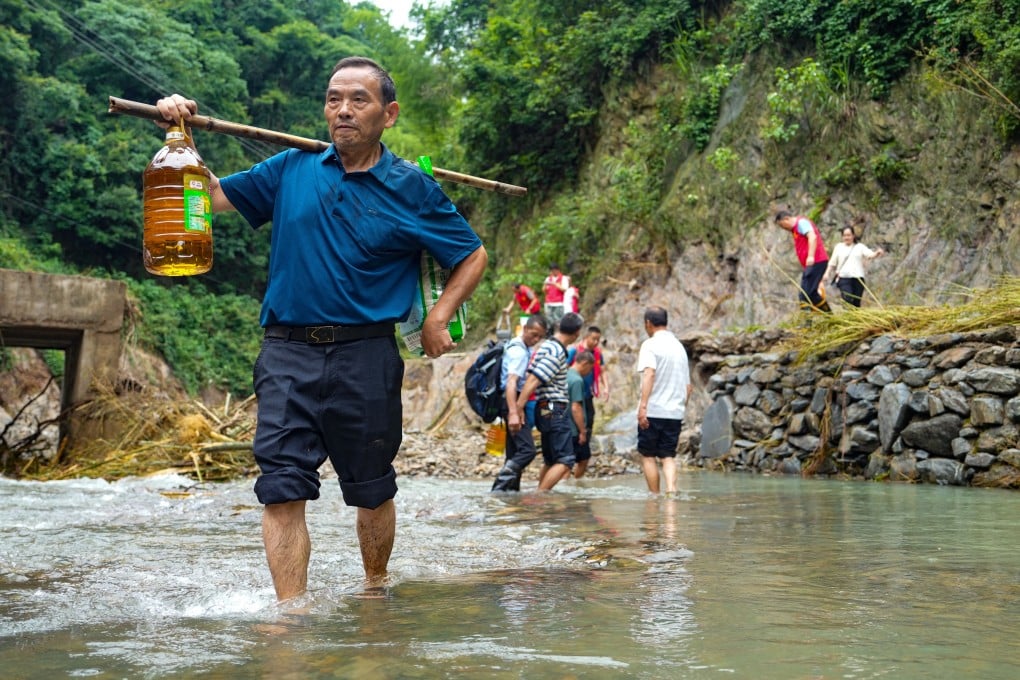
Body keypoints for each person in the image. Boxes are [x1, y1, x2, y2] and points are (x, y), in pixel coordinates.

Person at [154, 56, 487, 602]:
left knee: (371, 489)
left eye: (359, 100)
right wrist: (180, 130)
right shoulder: (291, 168)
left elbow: (472, 255)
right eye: (334, 99)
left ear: (390, 113)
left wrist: (437, 315)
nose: (343, 110)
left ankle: (376, 590)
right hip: (286, 352)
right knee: (281, 488)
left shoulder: (413, 188)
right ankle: (290, 617)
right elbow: (210, 197)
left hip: (367, 356)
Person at [515, 312, 584, 491]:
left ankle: (541, 498)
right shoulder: (556, 351)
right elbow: (534, 379)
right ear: (577, 332)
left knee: (551, 459)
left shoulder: (546, 346)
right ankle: (540, 495)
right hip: (553, 406)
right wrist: (518, 408)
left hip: (544, 405)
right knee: (566, 460)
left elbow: (532, 376)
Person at [636, 306, 692, 495]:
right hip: (674, 412)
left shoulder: (650, 345)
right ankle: (671, 490)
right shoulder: (679, 347)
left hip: (653, 411)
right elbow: (688, 387)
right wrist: (680, 409)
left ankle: (655, 496)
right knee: (668, 456)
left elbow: (649, 374)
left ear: (648, 323)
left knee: (648, 455)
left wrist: (643, 407)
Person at [491, 314, 548, 492]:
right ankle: (499, 487)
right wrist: (514, 412)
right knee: (527, 450)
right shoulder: (519, 351)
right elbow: (511, 383)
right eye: (533, 334)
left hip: (510, 401)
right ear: (524, 329)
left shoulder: (519, 346)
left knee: (514, 451)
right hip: (511, 400)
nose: (536, 339)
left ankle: (510, 492)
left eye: (540, 336)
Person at [566, 326, 609, 479]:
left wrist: (606, 388)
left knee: (588, 420)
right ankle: (579, 441)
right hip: (574, 395)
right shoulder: (574, 352)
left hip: (587, 394)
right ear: (586, 337)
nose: (596, 342)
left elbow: (602, 370)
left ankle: (583, 441)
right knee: (575, 419)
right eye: (593, 339)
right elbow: (564, 368)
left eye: (598, 339)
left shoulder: (597, 354)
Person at [775, 210, 831, 313]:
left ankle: (806, 324)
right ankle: (830, 317)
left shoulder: (801, 223)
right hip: (814, 263)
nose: (784, 229)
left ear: (786, 219)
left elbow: (812, 237)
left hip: (816, 261)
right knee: (812, 294)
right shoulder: (795, 229)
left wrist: (810, 256)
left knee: (804, 294)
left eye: (783, 226)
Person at [824, 226, 885, 307]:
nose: (847, 237)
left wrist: (877, 253)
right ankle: (847, 314)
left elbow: (869, 255)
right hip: (843, 278)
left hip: (858, 278)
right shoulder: (839, 247)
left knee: (856, 303)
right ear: (842, 236)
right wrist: (827, 273)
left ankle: (854, 318)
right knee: (848, 299)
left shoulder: (859, 247)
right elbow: (832, 262)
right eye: (845, 235)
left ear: (853, 236)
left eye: (849, 235)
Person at [566, 350, 595, 479]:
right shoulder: (577, 380)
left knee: (574, 459)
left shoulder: (565, 374)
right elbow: (576, 407)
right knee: (568, 462)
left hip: (562, 425)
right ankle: (566, 486)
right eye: (590, 368)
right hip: (573, 429)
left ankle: (571, 485)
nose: (590, 372)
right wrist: (582, 431)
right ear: (584, 363)